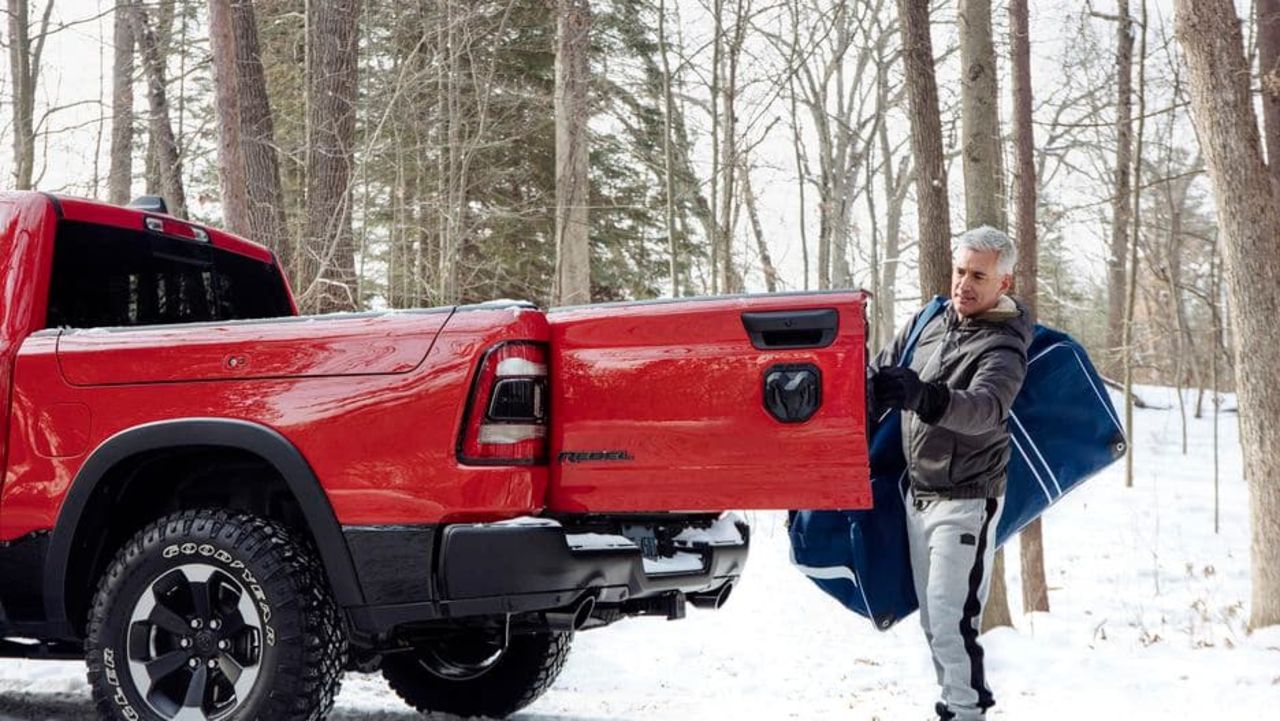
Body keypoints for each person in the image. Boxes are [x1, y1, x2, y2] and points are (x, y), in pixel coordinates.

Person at [870, 226, 1033, 721]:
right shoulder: (928, 320)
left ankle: (966, 713)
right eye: (960, 270)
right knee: (935, 623)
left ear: (1002, 284)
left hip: (966, 500)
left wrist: (924, 396)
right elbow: (882, 371)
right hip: (917, 495)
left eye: (978, 276)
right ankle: (955, 707)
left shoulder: (1003, 346)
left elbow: (986, 408)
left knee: (949, 619)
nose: (963, 283)